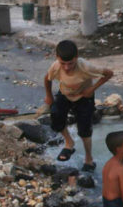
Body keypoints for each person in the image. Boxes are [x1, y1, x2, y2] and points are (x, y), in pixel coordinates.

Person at [44, 40, 113, 171]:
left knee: (84, 129)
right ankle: (69, 142)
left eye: (70, 63)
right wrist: (49, 96)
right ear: (57, 58)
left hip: (84, 97)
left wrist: (92, 89)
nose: (66, 67)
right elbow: (47, 79)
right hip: (65, 94)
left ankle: (89, 158)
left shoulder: (85, 67)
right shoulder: (55, 66)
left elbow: (109, 73)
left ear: (76, 57)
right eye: (63, 63)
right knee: (56, 117)